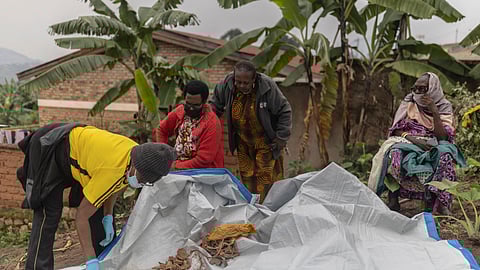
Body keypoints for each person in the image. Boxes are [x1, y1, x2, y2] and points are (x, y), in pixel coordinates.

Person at [16, 123, 176, 270]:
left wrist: (107, 216)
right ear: (136, 166)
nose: (140, 183)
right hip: (52, 148)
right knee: (49, 213)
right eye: (142, 180)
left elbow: (114, 187)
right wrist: (90, 260)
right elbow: (81, 217)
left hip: (83, 160)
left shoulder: (138, 156)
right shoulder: (112, 170)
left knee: (98, 215)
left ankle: (105, 261)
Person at [368, 72, 465, 215]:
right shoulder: (409, 102)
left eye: (423, 89)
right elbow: (395, 129)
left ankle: (441, 202)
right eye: (415, 88)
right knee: (394, 153)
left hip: (435, 143)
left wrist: (434, 111)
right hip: (408, 140)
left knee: (444, 155)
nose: (418, 93)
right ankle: (393, 199)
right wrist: (414, 140)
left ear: (433, 88)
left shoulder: (444, 106)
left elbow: (443, 136)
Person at [210, 60, 292, 202]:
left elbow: (285, 110)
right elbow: (215, 106)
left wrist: (281, 138)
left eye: (246, 83)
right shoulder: (227, 85)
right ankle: (251, 213)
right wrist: (207, 123)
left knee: (266, 182)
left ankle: (268, 214)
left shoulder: (267, 86)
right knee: (247, 181)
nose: (241, 86)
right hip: (243, 143)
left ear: (254, 79)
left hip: (266, 143)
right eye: (238, 82)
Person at [153, 80, 224, 169]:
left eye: (196, 105)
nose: (191, 108)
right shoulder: (180, 111)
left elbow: (203, 160)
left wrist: (175, 166)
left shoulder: (212, 123)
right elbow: (161, 129)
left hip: (204, 172)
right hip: (178, 166)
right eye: (188, 103)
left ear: (204, 102)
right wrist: (163, 154)